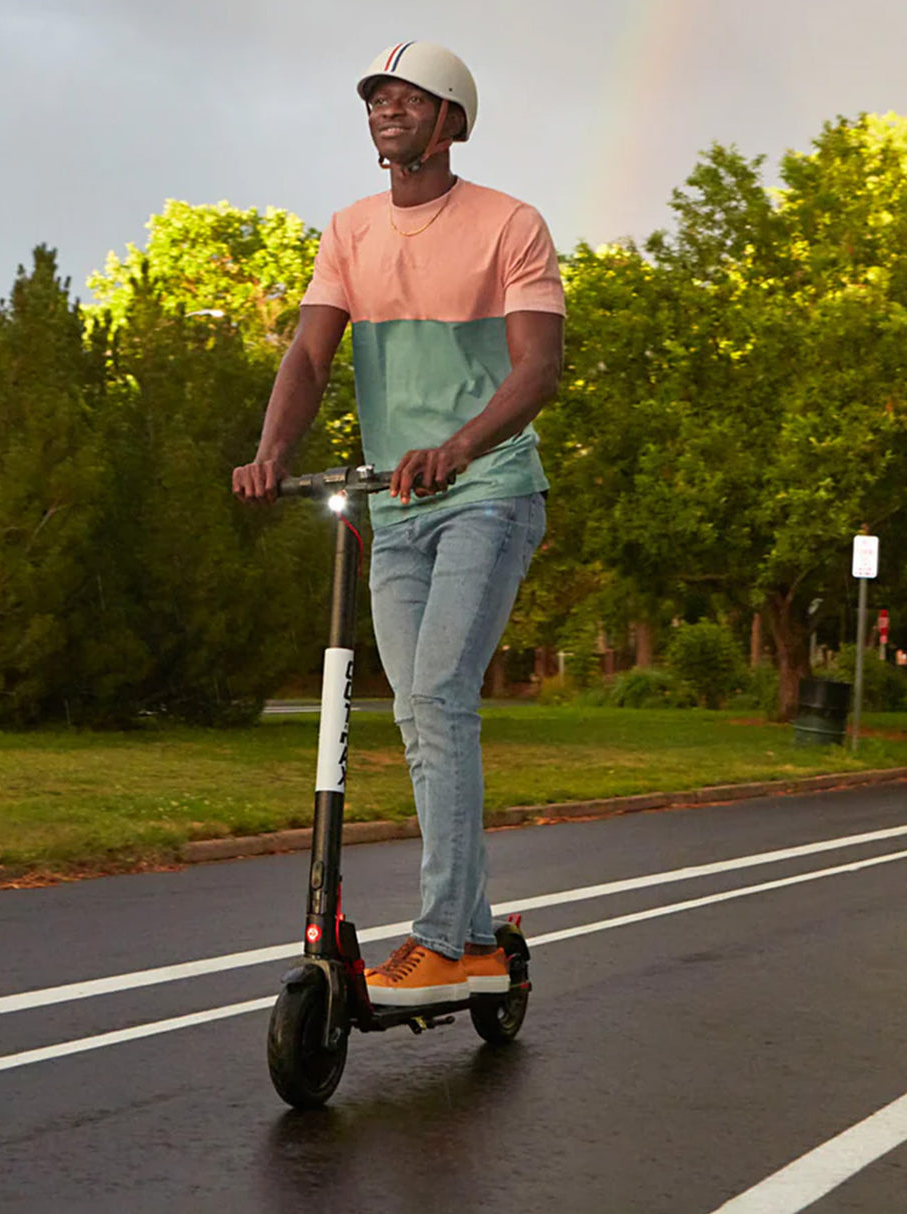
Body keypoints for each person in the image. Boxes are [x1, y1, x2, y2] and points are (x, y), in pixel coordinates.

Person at [232, 41, 565, 1008]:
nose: (385, 108)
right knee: (418, 715)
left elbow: (537, 369)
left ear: (451, 117)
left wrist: (458, 448)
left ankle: (441, 940)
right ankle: (472, 939)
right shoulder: (349, 230)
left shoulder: (511, 225)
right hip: (396, 502)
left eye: (406, 97)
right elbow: (306, 355)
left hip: (488, 491)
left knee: (438, 697)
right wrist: (273, 455)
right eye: (375, 97)